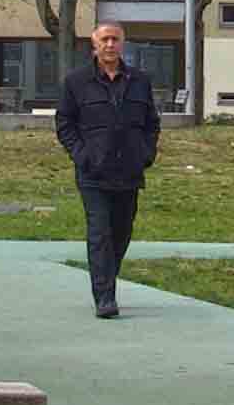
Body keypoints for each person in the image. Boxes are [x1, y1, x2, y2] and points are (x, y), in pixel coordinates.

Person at [50, 16, 161, 317]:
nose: (110, 44)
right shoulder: (76, 82)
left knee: (121, 233)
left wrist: (146, 154)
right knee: (100, 232)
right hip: (93, 173)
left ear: (122, 44)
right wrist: (81, 155)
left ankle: (107, 278)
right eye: (105, 39)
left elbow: (151, 123)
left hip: (129, 171)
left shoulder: (140, 81)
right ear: (94, 44)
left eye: (115, 39)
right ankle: (105, 298)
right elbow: (65, 124)